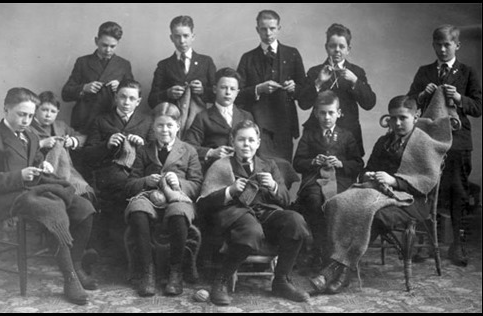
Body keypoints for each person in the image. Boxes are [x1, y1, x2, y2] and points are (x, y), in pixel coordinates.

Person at [308, 95, 449, 295]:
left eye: (403, 118)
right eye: (393, 118)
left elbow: (426, 181)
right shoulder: (385, 141)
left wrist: (394, 181)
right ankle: (340, 267)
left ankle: (339, 271)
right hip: (380, 194)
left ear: (415, 116)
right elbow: (368, 168)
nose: (397, 123)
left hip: (412, 201)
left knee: (370, 213)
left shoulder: (424, 143)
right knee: (338, 203)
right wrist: (369, 174)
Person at [0, 87, 98, 305]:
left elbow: (35, 157)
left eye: (30, 115)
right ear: (6, 109)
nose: (26, 120)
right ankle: (69, 278)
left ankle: (76, 264)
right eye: (21, 114)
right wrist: (19, 176)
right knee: (51, 208)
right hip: (6, 198)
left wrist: (43, 163)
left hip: (32, 191)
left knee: (83, 206)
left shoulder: (29, 134)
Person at [198, 120, 310, 305]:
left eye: (251, 140)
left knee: (296, 221)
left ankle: (281, 280)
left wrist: (274, 186)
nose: (246, 144)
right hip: (234, 214)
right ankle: (221, 280)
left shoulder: (269, 165)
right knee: (251, 230)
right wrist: (230, 191)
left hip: (264, 212)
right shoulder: (221, 165)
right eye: (241, 140)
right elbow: (204, 204)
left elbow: (285, 200)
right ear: (233, 141)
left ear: (258, 143)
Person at [407, 24, 482, 267]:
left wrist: (460, 99)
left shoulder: (467, 72)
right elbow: (409, 104)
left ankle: (457, 245)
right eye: (437, 44)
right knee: (427, 189)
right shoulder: (425, 71)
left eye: (447, 44)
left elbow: (479, 107)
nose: (441, 49)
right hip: (428, 140)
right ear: (433, 44)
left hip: (458, 142)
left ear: (457, 45)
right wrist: (420, 96)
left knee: (458, 191)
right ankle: (429, 242)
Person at [124, 102, 202, 297]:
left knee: (178, 212)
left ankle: (175, 272)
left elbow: (198, 184)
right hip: (149, 197)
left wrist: (180, 183)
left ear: (178, 126)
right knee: (137, 209)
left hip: (178, 198)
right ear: (153, 126)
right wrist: (146, 180)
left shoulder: (189, 150)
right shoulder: (144, 150)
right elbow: (130, 184)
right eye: (160, 125)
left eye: (169, 125)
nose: (164, 130)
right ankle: (147, 272)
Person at [292, 91, 363, 270]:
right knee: (314, 201)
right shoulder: (309, 134)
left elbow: (358, 164)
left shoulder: (347, 135)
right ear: (316, 113)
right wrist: (312, 162)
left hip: (340, 180)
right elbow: (297, 163)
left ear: (339, 113)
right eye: (322, 113)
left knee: (339, 202)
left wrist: (340, 163)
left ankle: (337, 253)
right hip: (315, 180)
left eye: (331, 113)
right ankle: (319, 249)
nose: (326, 117)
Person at [83, 80, 154, 249]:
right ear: (115, 98)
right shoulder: (101, 120)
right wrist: (106, 145)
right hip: (108, 172)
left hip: (138, 171)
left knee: (139, 187)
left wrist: (142, 145)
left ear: (138, 101)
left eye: (131, 98)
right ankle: (116, 247)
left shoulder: (147, 121)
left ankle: (134, 247)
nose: (126, 102)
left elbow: (155, 155)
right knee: (123, 188)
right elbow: (88, 154)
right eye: (122, 97)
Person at [236, 10, 306, 162]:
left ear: (279, 29)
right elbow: (237, 94)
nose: (268, 33)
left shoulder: (292, 54)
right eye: (263, 29)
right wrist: (258, 89)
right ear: (257, 30)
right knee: (260, 170)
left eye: (272, 28)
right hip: (258, 125)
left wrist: (294, 87)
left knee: (284, 168)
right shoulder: (247, 58)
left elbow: (304, 91)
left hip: (284, 124)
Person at [299, 23, 376, 157]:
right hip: (318, 134)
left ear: (348, 49)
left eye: (342, 46)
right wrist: (318, 82)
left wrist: (355, 81)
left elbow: (369, 104)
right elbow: (303, 104)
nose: (337, 50)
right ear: (326, 47)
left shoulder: (357, 72)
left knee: (348, 172)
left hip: (349, 134)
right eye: (332, 46)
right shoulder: (315, 72)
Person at [148, 15, 216, 138]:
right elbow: (151, 100)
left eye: (186, 36)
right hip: (172, 125)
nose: (182, 41)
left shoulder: (206, 62)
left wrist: (203, 91)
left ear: (193, 36)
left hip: (200, 123)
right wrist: (167, 94)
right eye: (177, 36)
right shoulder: (164, 65)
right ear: (171, 38)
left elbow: (217, 96)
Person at [62, 21, 134, 134]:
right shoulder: (83, 62)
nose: (108, 50)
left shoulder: (123, 64)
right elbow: (65, 93)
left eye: (112, 46)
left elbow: (134, 94)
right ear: (96, 41)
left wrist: (121, 88)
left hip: (112, 120)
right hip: (85, 119)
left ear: (118, 44)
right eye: (104, 45)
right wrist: (84, 88)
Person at [29, 91, 95, 201]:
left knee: (86, 193)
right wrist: (42, 144)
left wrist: (72, 141)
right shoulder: (29, 128)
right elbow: (22, 148)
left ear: (57, 112)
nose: (48, 115)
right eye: (44, 110)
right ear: (36, 109)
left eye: (53, 111)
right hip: (43, 173)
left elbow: (84, 137)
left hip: (68, 170)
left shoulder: (61, 126)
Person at [184, 67, 253, 170]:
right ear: (215, 89)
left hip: (242, 168)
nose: (228, 92)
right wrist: (212, 152)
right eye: (224, 88)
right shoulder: (203, 117)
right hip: (214, 168)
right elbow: (188, 146)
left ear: (237, 92)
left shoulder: (246, 116)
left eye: (232, 89)